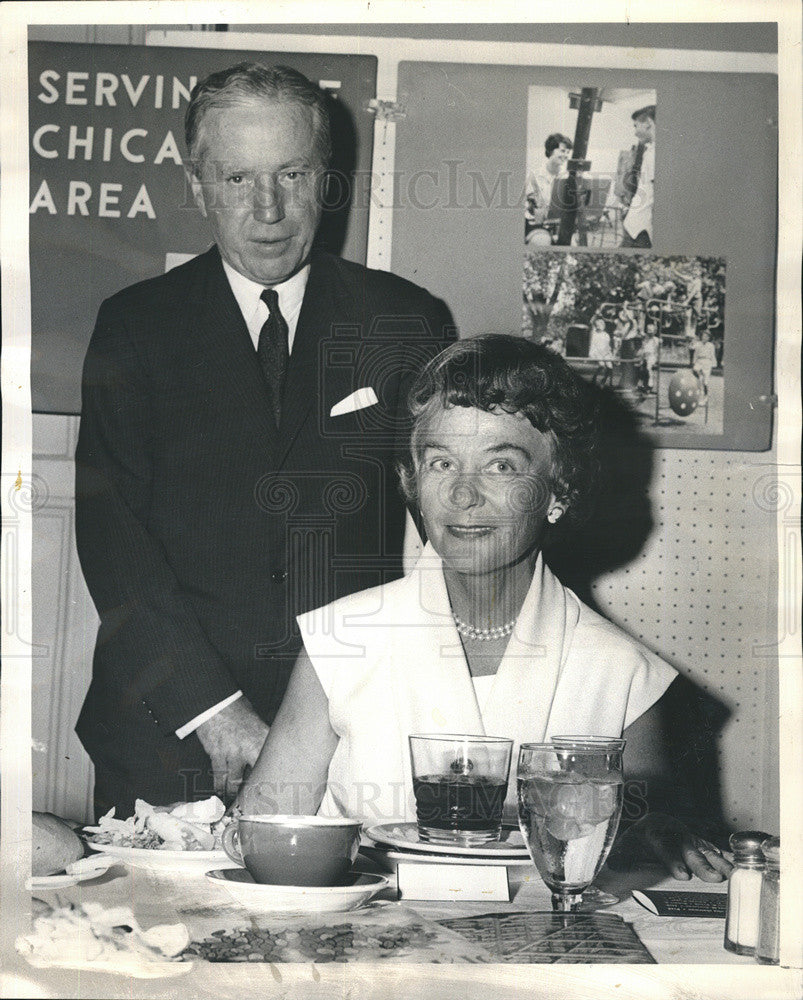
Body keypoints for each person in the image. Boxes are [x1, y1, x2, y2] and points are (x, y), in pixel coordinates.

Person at [74, 62, 454, 817]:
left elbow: (458, 530)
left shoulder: (402, 321)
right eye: (239, 179)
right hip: (167, 730)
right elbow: (112, 540)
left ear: (326, 177)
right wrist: (215, 714)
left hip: (350, 735)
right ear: (197, 184)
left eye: (292, 173)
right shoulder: (134, 327)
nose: (270, 209)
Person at [240, 335, 733, 882]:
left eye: (500, 466)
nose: (462, 494)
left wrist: (655, 831)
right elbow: (258, 836)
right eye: (441, 462)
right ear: (413, 481)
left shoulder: (623, 675)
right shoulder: (340, 642)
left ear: (559, 489)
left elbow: (640, 832)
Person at [524, 133, 573, 245]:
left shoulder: (568, 177)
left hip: (561, 227)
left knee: (573, 244)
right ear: (551, 150)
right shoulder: (533, 176)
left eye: (567, 152)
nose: (565, 155)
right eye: (562, 151)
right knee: (542, 242)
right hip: (537, 227)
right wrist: (533, 209)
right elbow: (528, 209)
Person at [620, 105, 655, 249]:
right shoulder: (650, 151)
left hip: (641, 228)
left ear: (647, 123)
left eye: (636, 126)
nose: (635, 133)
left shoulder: (653, 153)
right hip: (637, 225)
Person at [588, 315, 614, 387]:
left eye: (601, 325)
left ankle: (605, 380)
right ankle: (594, 377)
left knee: (610, 367)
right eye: (598, 325)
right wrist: (597, 315)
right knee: (602, 365)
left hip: (605, 352)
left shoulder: (606, 335)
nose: (600, 326)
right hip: (597, 352)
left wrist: (609, 353)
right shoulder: (594, 333)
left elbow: (607, 346)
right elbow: (591, 322)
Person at [692, 330, 717, 397]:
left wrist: (713, 365)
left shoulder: (711, 345)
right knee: (696, 371)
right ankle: (698, 391)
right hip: (699, 361)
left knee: (705, 381)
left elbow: (712, 355)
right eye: (703, 336)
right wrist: (694, 362)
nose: (704, 338)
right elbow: (695, 352)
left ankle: (705, 396)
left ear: (709, 338)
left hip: (707, 362)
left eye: (706, 336)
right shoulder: (698, 344)